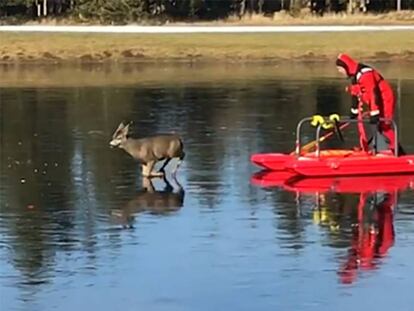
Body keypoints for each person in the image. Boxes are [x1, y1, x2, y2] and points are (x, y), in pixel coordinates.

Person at [335, 53, 404, 155]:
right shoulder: (355, 76)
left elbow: (373, 93)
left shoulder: (365, 74)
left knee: (384, 125)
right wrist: (353, 111)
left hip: (384, 98)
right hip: (375, 100)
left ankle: (398, 152)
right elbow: (355, 93)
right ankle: (377, 148)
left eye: (340, 69)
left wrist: (374, 112)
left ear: (346, 67)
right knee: (378, 126)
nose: (339, 72)